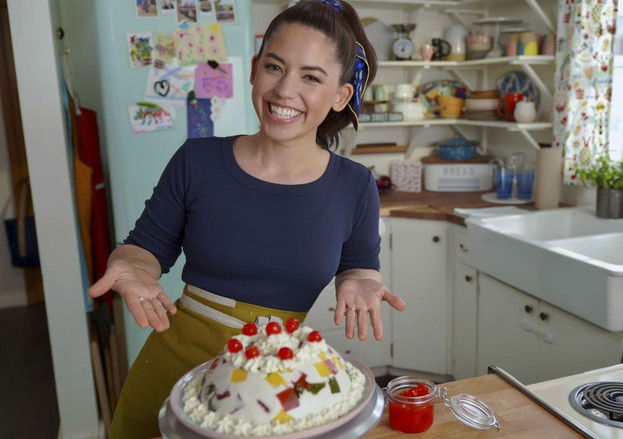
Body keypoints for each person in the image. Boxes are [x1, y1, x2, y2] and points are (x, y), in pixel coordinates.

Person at [87, 1, 405, 437]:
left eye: (311, 77)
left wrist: (360, 279)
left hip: (275, 385)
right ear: (255, 70)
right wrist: (129, 266)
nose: (285, 90)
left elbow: (359, 265)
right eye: (275, 67)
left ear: (339, 96)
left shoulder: (354, 186)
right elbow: (145, 249)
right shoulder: (197, 161)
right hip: (173, 370)